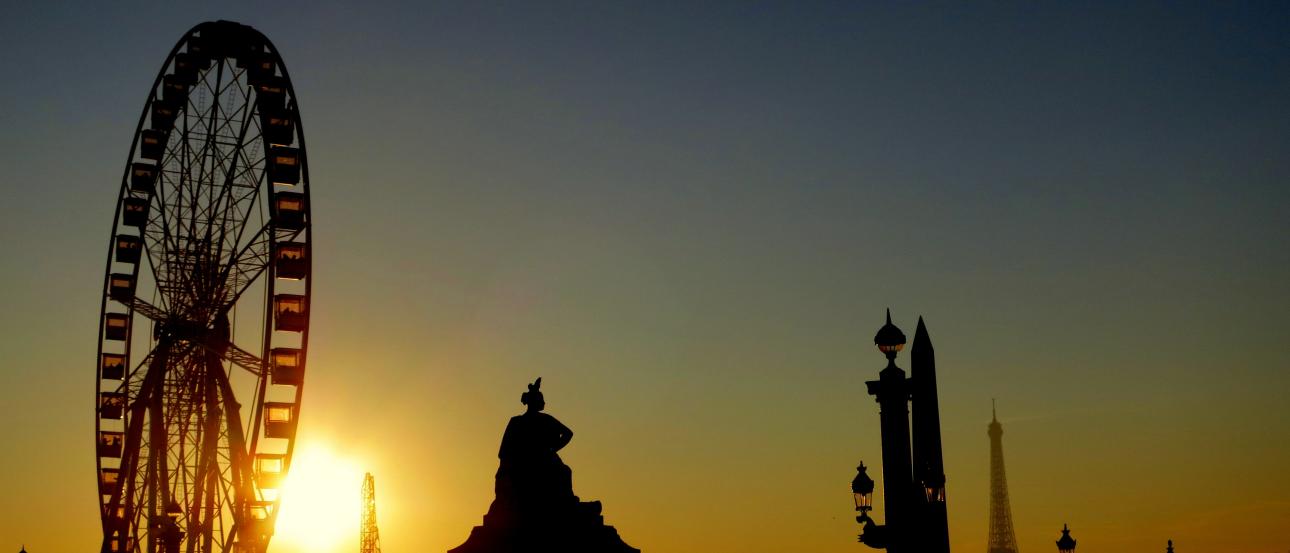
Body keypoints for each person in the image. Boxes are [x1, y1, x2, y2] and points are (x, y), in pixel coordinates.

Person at [496, 378, 575, 504]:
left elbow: (503, 452)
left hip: (529, 463)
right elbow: (568, 433)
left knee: (564, 472)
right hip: (533, 464)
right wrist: (553, 449)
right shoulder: (543, 420)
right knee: (564, 472)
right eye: (541, 399)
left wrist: (553, 450)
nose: (543, 402)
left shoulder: (518, 421)